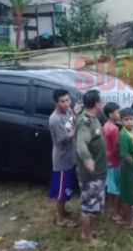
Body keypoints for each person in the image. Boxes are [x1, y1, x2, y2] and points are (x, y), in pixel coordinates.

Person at [75, 90, 107, 247]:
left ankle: (84, 232)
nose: (101, 103)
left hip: (98, 171)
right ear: (96, 103)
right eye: (100, 101)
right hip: (90, 174)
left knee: (90, 204)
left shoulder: (93, 118)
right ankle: (89, 239)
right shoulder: (85, 122)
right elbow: (81, 144)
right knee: (88, 207)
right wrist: (88, 160)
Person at [49, 89, 78, 228]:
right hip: (61, 159)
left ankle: (64, 210)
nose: (66, 103)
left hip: (71, 156)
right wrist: (76, 129)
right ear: (56, 103)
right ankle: (60, 218)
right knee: (61, 190)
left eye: (68, 100)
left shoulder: (69, 111)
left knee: (67, 187)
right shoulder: (55, 119)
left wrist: (76, 115)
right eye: (62, 101)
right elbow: (65, 139)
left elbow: (74, 121)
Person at [118, 108, 133, 230]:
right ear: (121, 122)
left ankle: (129, 217)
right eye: (126, 120)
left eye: (131, 119)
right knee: (127, 195)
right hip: (128, 169)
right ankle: (128, 222)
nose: (129, 122)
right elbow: (125, 155)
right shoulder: (122, 135)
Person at [102, 102, 123, 224]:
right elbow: (117, 147)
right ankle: (115, 213)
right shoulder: (114, 129)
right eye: (118, 112)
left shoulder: (106, 126)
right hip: (115, 161)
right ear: (111, 114)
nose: (119, 114)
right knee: (116, 190)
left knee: (111, 188)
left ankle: (111, 210)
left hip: (108, 160)